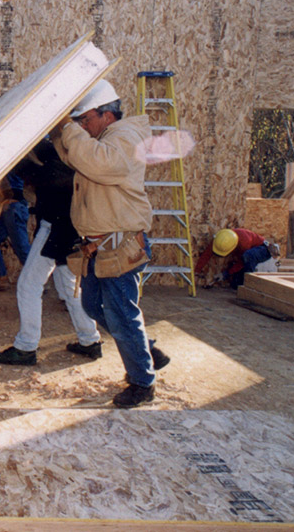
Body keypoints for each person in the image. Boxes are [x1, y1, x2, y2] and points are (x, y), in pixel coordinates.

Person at [52, 80, 169, 408]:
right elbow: (75, 155)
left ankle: (142, 382)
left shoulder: (124, 138)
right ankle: (143, 348)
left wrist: (66, 127)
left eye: (85, 119)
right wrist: (57, 130)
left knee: (120, 312)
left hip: (120, 247)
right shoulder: (102, 139)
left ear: (107, 115)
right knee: (92, 307)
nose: (82, 126)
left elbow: (99, 163)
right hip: (100, 248)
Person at [0, 139, 101, 366]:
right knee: (69, 286)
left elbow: (37, 172)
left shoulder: (62, 158)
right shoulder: (75, 149)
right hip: (69, 227)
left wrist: (5, 151)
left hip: (55, 227)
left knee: (29, 285)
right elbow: (43, 152)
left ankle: (26, 347)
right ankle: (90, 340)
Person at [0, 172, 31, 291]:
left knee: (21, 247)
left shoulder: (12, 158)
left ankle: (38, 281)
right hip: (5, 206)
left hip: (14, 206)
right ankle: (1, 279)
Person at [195, 228, 275, 288]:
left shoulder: (244, 242)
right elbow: (206, 254)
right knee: (235, 285)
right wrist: (196, 271)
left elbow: (242, 262)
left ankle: (249, 285)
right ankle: (241, 284)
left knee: (248, 256)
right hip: (249, 254)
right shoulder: (221, 238)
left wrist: (225, 274)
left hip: (264, 250)